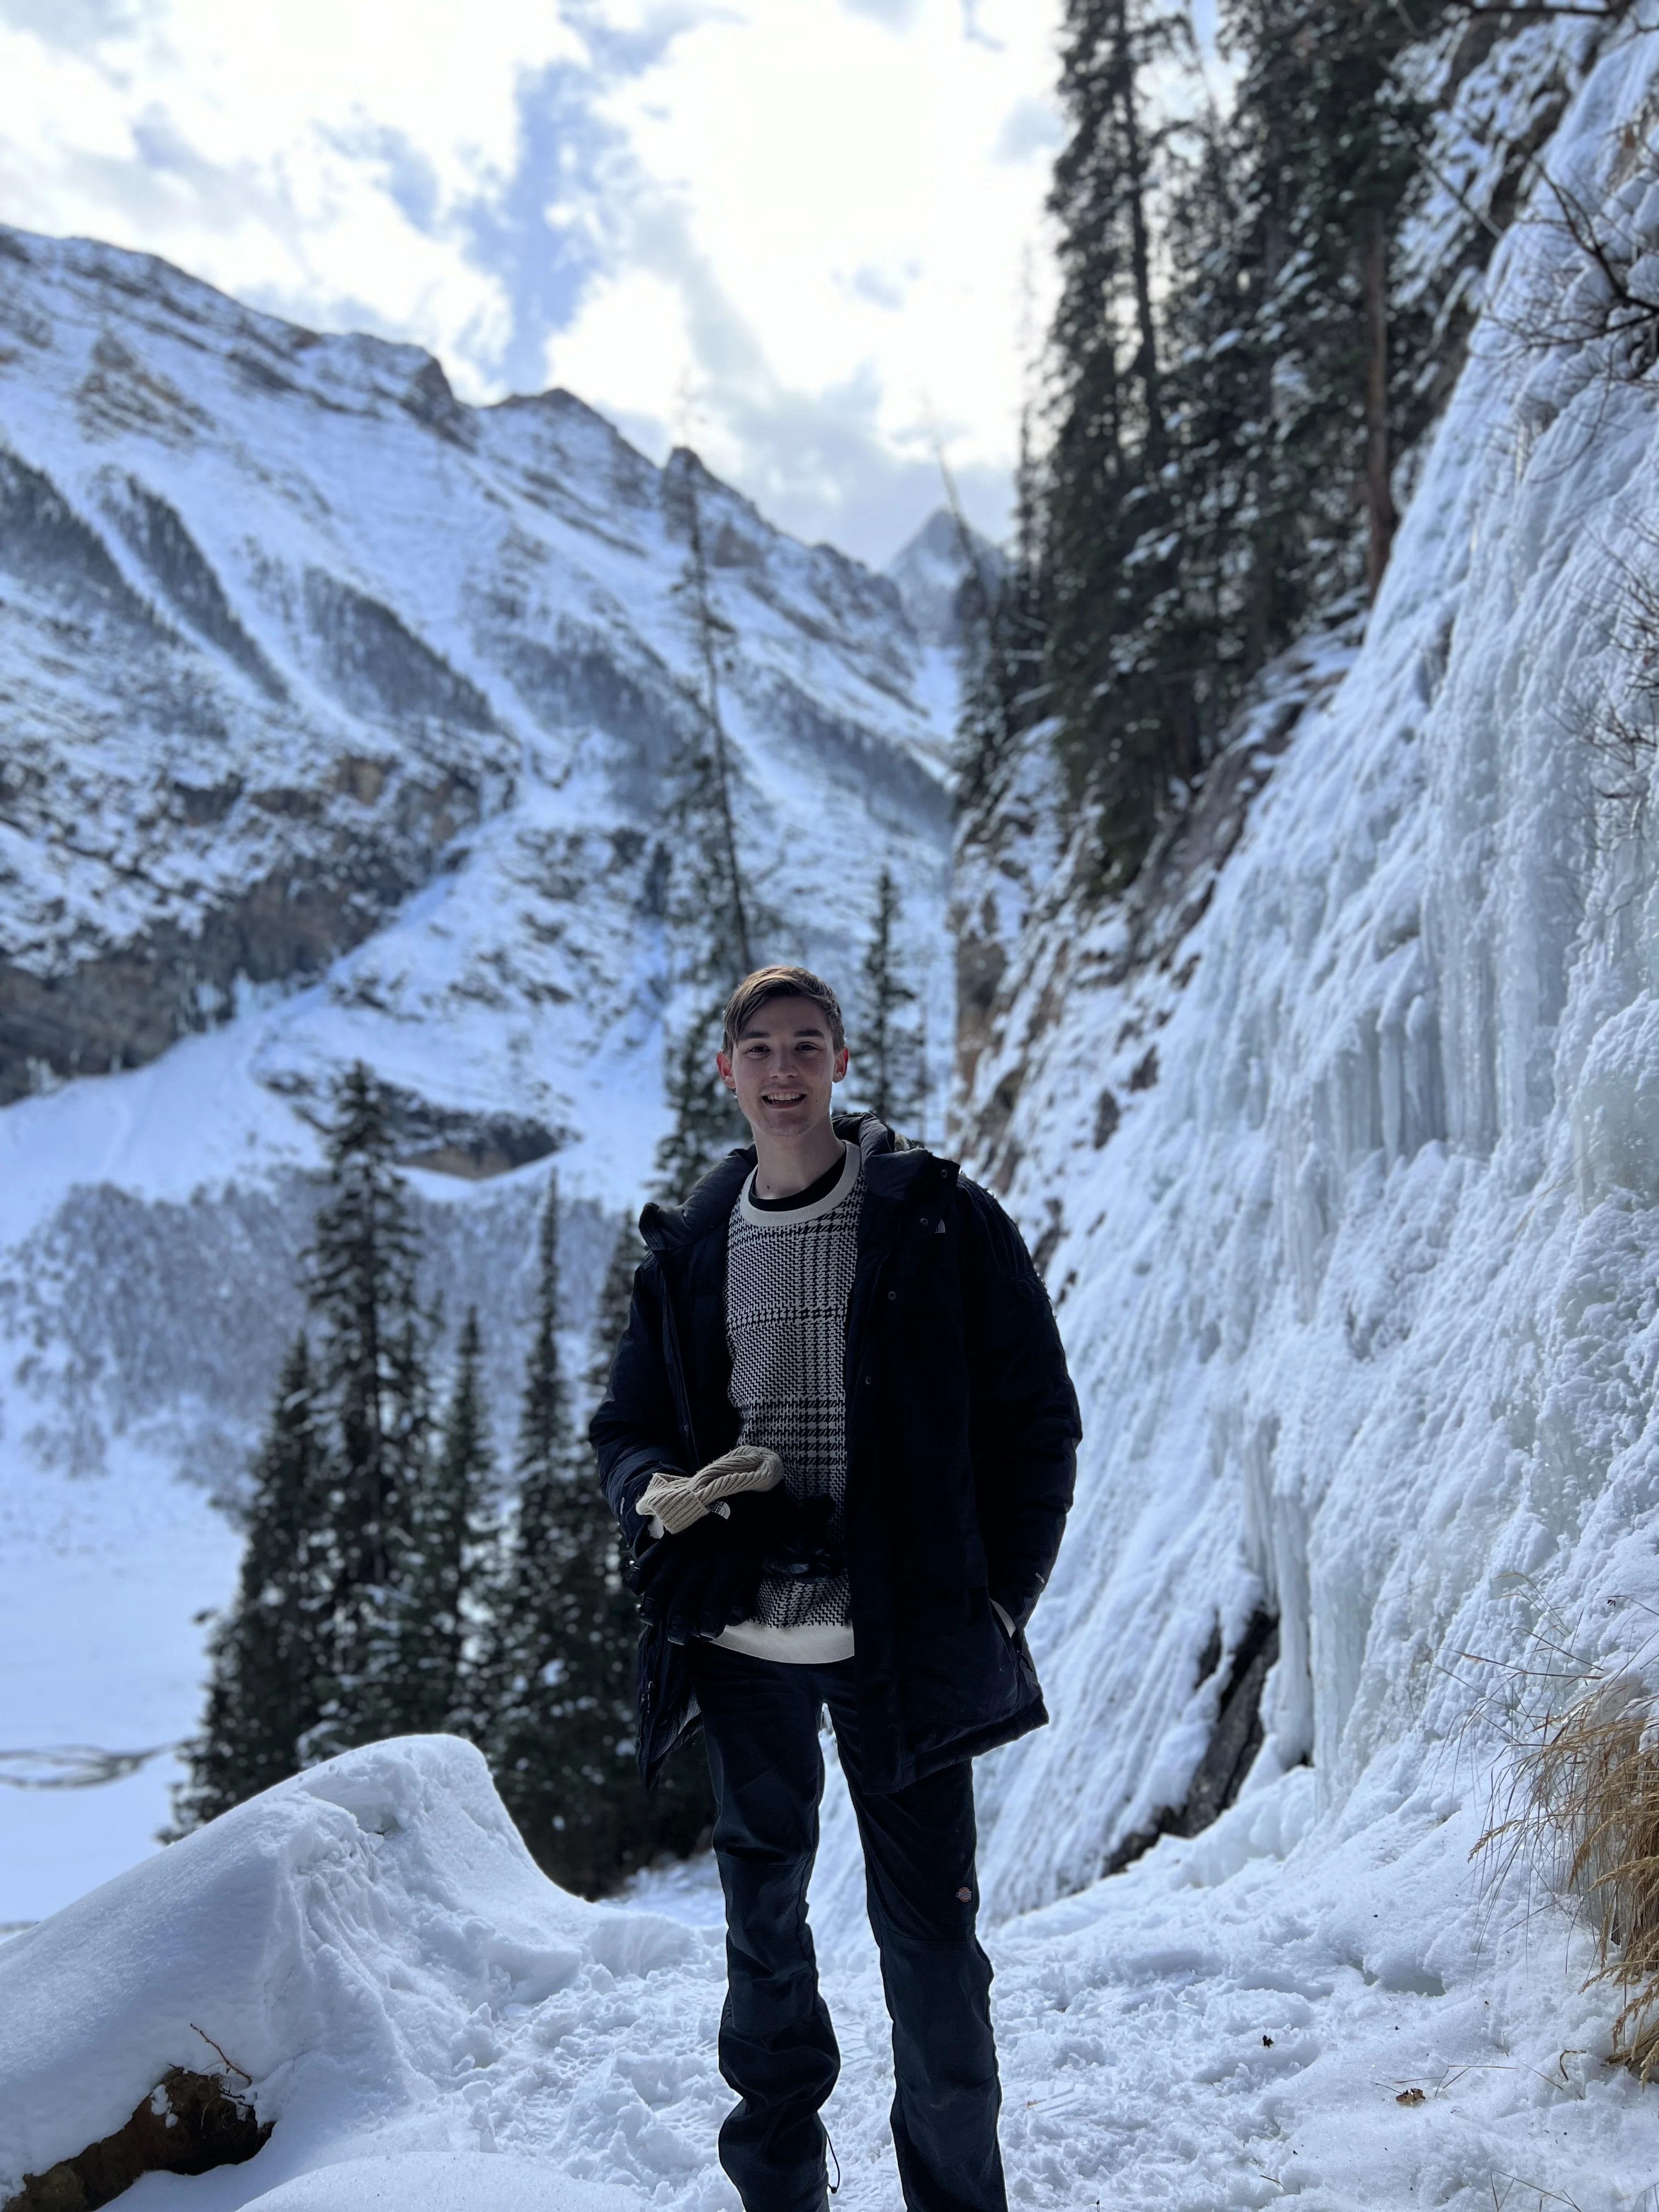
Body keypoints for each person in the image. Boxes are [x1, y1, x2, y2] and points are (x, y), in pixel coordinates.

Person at [590, 964, 1081, 2212]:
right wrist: (660, 1491)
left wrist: (1000, 1597)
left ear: (842, 1064)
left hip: (901, 1641)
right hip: (744, 1636)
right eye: (760, 1050)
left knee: (930, 1960)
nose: (784, 1070)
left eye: (807, 1046)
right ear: (728, 1073)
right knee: (764, 1949)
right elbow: (628, 1423)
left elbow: (1037, 1418)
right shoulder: (694, 1247)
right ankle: (780, 2195)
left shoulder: (934, 1221)